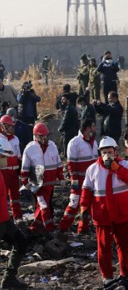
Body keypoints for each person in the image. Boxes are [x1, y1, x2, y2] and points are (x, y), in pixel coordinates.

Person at [80, 136, 128, 285]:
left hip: (120, 213)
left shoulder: (125, 165)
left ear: (116, 152)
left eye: (110, 152)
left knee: (123, 245)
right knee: (104, 247)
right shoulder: (93, 169)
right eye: (104, 152)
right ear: (100, 153)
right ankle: (107, 277)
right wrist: (84, 206)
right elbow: (87, 190)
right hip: (102, 213)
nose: (107, 155)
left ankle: (125, 272)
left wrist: (117, 169)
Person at [20, 123, 63, 233]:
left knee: (43, 205)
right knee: (44, 205)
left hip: (50, 184)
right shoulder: (30, 148)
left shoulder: (52, 146)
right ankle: (50, 228)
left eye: (46, 135)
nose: (45, 138)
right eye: (42, 136)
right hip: (37, 184)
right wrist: (26, 183)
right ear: (36, 136)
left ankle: (35, 228)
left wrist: (61, 176)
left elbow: (58, 163)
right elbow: (24, 169)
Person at [0, 138, 28, 289]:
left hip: (4, 220)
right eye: (3, 156)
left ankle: (9, 279)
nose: (5, 159)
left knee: (21, 242)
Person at [0, 115, 22, 221]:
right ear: (3, 126)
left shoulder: (15, 139)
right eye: (9, 126)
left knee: (15, 196)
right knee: (2, 196)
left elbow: (18, 156)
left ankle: (17, 217)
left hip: (13, 172)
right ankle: (4, 219)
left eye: (12, 126)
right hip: (3, 172)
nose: (11, 128)